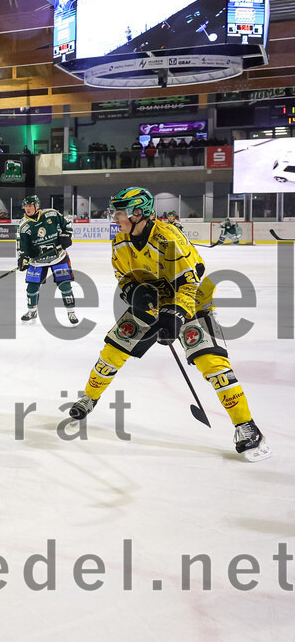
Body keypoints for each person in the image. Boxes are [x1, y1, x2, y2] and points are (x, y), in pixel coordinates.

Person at [68, 187, 270, 462]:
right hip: (152, 304)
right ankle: (89, 398)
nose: (114, 217)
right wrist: (134, 294)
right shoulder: (120, 241)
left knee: (212, 364)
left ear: (138, 213)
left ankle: (246, 426)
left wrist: (175, 314)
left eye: (120, 211)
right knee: (113, 351)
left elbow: (190, 280)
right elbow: (123, 275)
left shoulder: (168, 236)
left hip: (193, 302)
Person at [16, 194, 77, 324]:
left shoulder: (51, 214)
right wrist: (23, 257)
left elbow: (67, 224)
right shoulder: (24, 226)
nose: (27, 209)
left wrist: (66, 236)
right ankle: (32, 312)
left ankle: (71, 312)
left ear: (36, 206)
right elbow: (22, 245)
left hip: (58, 257)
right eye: (26, 206)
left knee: (65, 286)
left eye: (30, 206)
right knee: (32, 288)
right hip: (38, 261)